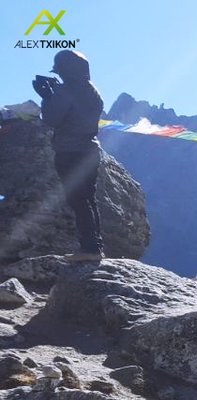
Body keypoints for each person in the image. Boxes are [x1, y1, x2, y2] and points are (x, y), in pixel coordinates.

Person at [33, 50, 104, 263]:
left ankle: (89, 248)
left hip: (70, 151)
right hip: (91, 150)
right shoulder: (93, 91)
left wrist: (47, 97)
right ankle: (95, 246)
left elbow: (52, 119)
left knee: (77, 199)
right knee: (89, 199)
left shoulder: (66, 90)